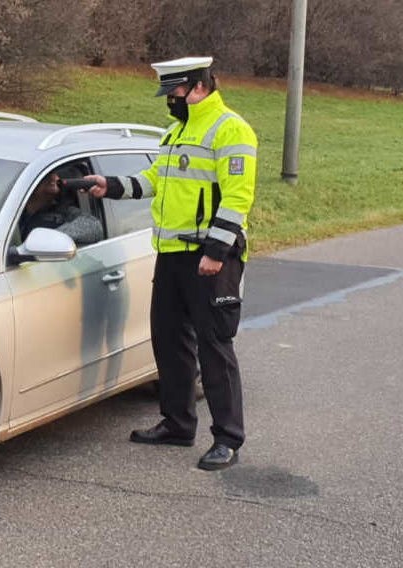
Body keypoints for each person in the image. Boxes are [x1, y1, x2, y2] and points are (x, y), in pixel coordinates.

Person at [82, 56, 257, 471]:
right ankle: (178, 424)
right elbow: (156, 180)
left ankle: (228, 439)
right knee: (169, 341)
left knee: (215, 348)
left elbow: (237, 196)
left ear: (198, 86)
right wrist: (112, 187)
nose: (169, 101)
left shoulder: (231, 129)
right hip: (173, 254)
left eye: (174, 92)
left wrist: (215, 252)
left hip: (211, 256)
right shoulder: (177, 131)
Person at [19, 171, 104, 246]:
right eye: (49, 174)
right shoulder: (13, 211)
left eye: (55, 173)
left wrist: (47, 240)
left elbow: (94, 226)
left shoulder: (63, 212)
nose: (56, 177)